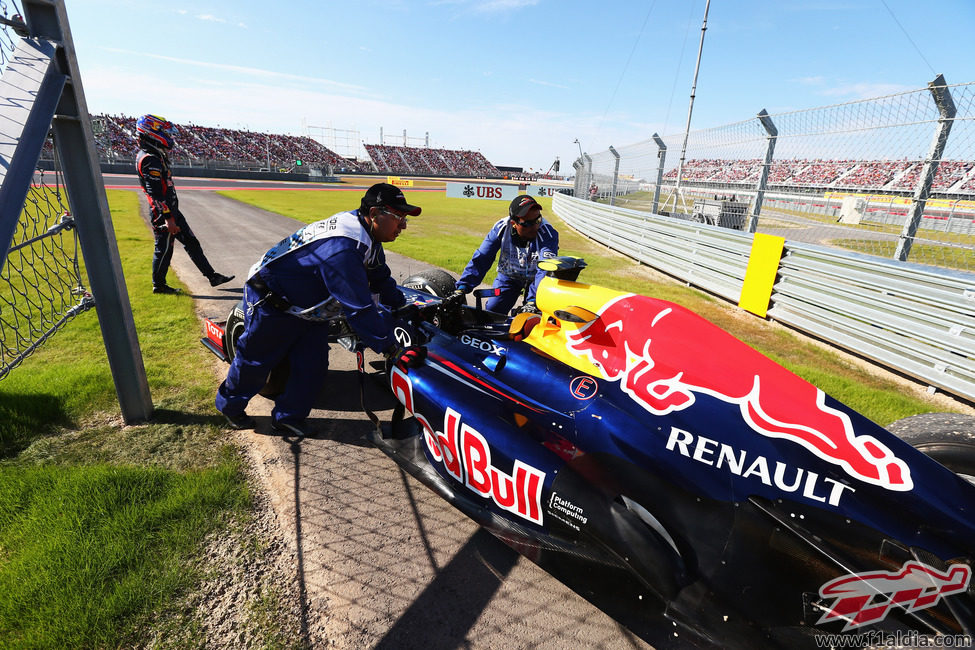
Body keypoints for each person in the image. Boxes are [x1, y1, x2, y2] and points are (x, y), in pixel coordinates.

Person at [215, 183, 427, 436]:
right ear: (374, 214)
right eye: (398, 217)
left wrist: (404, 306)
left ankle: (287, 417)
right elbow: (358, 309)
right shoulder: (343, 248)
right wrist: (391, 349)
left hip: (308, 306)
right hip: (272, 301)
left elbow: (380, 277)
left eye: (404, 218)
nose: (403, 225)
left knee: (312, 365)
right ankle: (230, 407)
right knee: (256, 360)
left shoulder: (367, 235)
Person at [135, 114, 234, 294]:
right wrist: (168, 218)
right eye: (164, 132)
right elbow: (155, 194)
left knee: (191, 242)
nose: (168, 136)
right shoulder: (150, 158)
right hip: (163, 214)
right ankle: (159, 285)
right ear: (151, 132)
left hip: (171, 211)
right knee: (164, 249)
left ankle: (212, 276)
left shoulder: (155, 154)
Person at [451, 195, 559, 316]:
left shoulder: (548, 233)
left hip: (536, 279)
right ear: (514, 223)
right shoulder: (501, 228)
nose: (535, 226)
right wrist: (462, 287)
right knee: (492, 312)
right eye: (528, 223)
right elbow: (482, 257)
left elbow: (545, 268)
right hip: (509, 277)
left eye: (538, 220)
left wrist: (533, 300)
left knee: (533, 318)